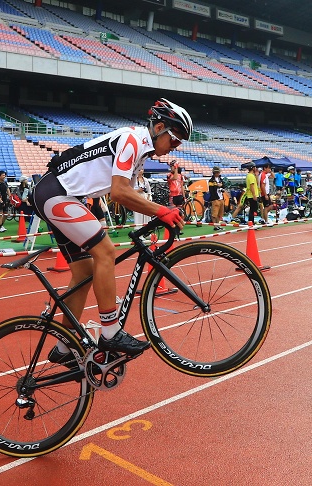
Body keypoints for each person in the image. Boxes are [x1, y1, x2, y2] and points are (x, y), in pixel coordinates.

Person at [32, 98, 189, 359]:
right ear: (160, 127)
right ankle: (111, 332)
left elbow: (131, 193)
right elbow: (119, 192)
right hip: (57, 194)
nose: (175, 147)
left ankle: (63, 347)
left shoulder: (141, 150)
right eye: (174, 140)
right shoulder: (133, 140)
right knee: (105, 252)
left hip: (63, 195)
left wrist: (157, 212)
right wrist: (161, 211)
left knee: (84, 273)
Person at [207, 166, 225, 230]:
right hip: (215, 199)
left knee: (220, 213)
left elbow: (224, 185)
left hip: (221, 198)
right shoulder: (211, 180)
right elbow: (211, 190)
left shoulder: (220, 179)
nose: (219, 173)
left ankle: (218, 225)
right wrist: (217, 185)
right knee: (214, 213)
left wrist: (221, 186)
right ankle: (215, 226)